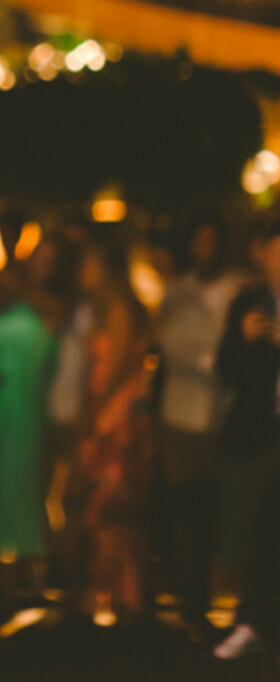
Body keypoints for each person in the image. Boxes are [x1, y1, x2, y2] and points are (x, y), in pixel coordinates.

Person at [155, 216, 242, 629]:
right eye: (199, 240)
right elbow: (172, 345)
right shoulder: (178, 293)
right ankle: (192, 599)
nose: (205, 249)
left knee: (219, 509)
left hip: (226, 414)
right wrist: (215, 357)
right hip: (182, 414)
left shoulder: (240, 289)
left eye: (213, 240)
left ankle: (213, 590)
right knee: (186, 506)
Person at [0, 216, 57, 596]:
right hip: (1, 392)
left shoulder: (36, 289)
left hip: (32, 392)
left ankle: (26, 558)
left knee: (27, 472)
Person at [72, 242, 152, 619]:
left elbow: (117, 371)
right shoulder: (108, 309)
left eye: (89, 260)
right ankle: (114, 592)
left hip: (115, 420)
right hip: (110, 415)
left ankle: (124, 595)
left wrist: (97, 418)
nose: (83, 268)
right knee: (106, 508)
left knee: (113, 507)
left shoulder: (120, 310)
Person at [211, 219, 280, 659]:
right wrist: (242, 339)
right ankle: (250, 619)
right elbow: (227, 371)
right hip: (258, 432)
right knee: (250, 528)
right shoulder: (251, 302)